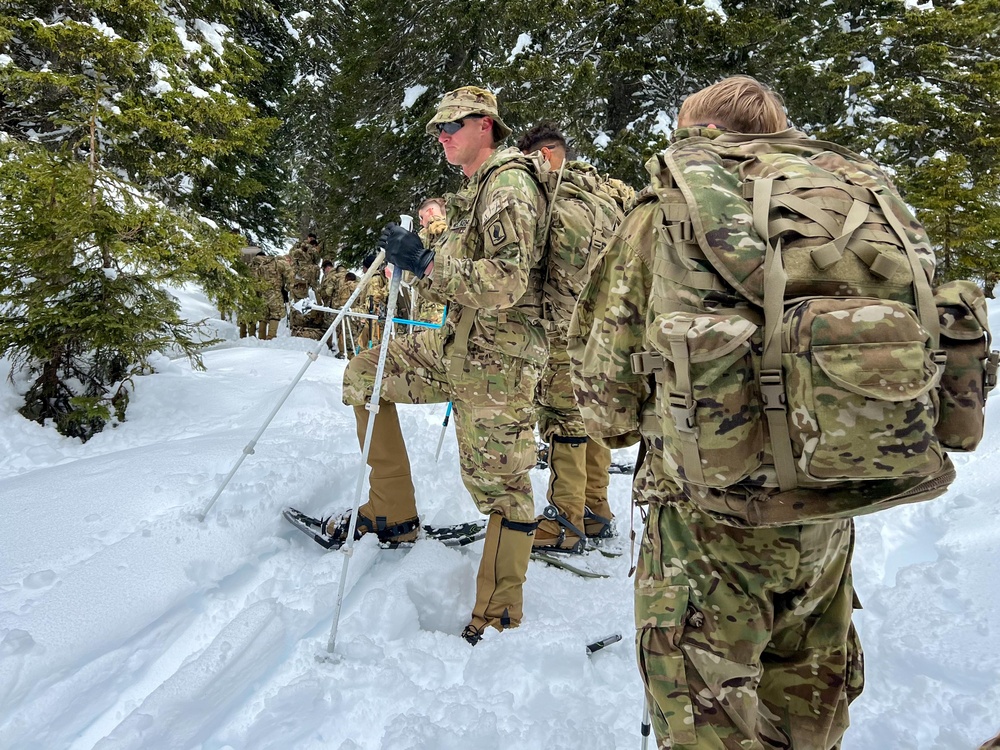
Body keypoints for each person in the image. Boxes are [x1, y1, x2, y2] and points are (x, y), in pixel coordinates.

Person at [570, 77, 864, 748]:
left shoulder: (669, 212)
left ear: (693, 134)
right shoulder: (838, 208)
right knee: (808, 723)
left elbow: (605, 405)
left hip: (708, 529)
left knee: (707, 722)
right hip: (828, 522)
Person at [333, 85, 549, 646]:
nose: (442, 137)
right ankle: (392, 513)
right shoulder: (476, 188)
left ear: (486, 125)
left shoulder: (509, 184)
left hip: (497, 366)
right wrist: (415, 246)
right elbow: (459, 253)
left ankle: (500, 613)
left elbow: (505, 281)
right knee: (365, 373)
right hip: (456, 350)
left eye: (452, 126)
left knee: (501, 487)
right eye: (438, 129)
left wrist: (426, 262)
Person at [516, 122, 633, 552]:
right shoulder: (606, 194)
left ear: (544, 155)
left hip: (562, 329)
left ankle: (564, 523)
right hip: (608, 331)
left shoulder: (552, 198)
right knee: (591, 417)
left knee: (562, 418)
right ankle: (595, 510)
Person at [412, 197, 448, 325]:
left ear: (430, 212)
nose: (421, 223)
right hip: (431, 305)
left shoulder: (435, 232)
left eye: (422, 217)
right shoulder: (454, 232)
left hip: (434, 311)